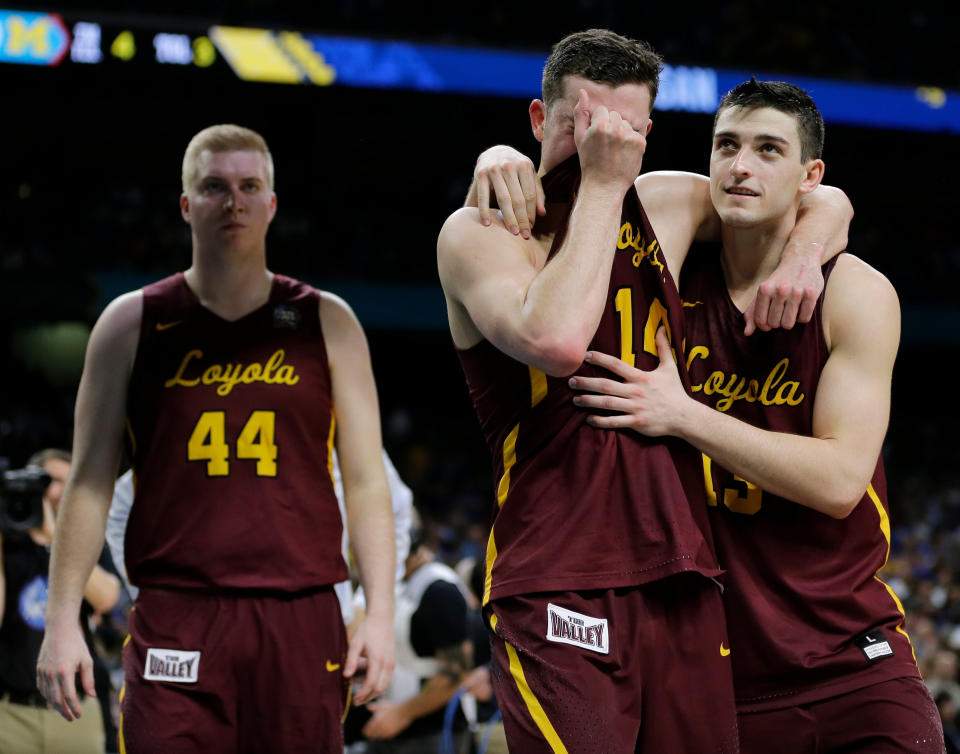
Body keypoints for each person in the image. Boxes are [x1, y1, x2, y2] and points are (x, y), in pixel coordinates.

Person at [438, 29, 851, 752]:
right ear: (540, 121)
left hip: (684, 570)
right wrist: (588, 178)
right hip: (559, 566)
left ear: (649, 134)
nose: (605, 142)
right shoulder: (483, 232)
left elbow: (822, 196)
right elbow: (559, 340)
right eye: (582, 124)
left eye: (624, 129)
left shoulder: (665, 201)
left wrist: (808, 252)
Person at [568, 79, 944, 752]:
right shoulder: (671, 261)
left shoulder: (855, 292)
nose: (741, 165)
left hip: (849, 662)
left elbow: (838, 482)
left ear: (810, 176)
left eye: (769, 149)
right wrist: (498, 161)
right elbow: (577, 213)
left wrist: (682, 415)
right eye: (727, 146)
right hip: (712, 682)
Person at [36, 124, 396, 753]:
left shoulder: (329, 321)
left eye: (249, 186)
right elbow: (89, 482)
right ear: (185, 204)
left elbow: (366, 482)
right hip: (179, 609)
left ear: (273, 204)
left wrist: (382, 615)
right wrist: (60, 619)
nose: (233, 202)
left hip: (301, 612)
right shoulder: (129, 323)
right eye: (214, 187)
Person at [1, 448, 119, 754]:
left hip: (76, 707)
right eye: (51, 481)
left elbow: (107, 598)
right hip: (11, 709)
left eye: (72, 482)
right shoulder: (8, 541)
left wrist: (58, 537)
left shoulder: (88, 542)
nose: (62, 491)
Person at [359, 526, 473, 753]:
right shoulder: (403, 582)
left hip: (431, 731)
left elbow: (458, 670)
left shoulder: (440, 590)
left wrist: (402, 714)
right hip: (393, 722)